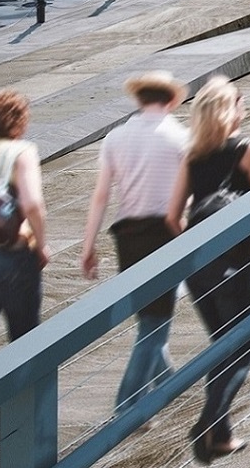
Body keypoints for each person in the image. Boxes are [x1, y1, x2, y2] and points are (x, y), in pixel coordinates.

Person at [169, 76, 250, 464]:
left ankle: (221, 434)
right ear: (231, 111)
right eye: (240, 101)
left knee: (221, 345)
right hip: (234, 264)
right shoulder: (248, 150)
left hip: (199, 270)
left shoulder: (191, 156)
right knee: (242, 350)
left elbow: (172, 217)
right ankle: (207, 423)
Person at [79, 72, 189, 407]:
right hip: (165, 233)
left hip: (127, 235)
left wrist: (88, 246)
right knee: (156, 321)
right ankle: (127, 405)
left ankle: (169, 384)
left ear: (139, 100)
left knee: (149, 315)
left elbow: (100, 196)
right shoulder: (180, 136)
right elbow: (189, 195)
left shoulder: (115, 138)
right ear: (170, 100)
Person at [0, 90, 49, 346]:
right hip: (12, 255)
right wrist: (41, 244)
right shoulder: (20, 151)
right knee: (25, 341)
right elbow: (33, 204)